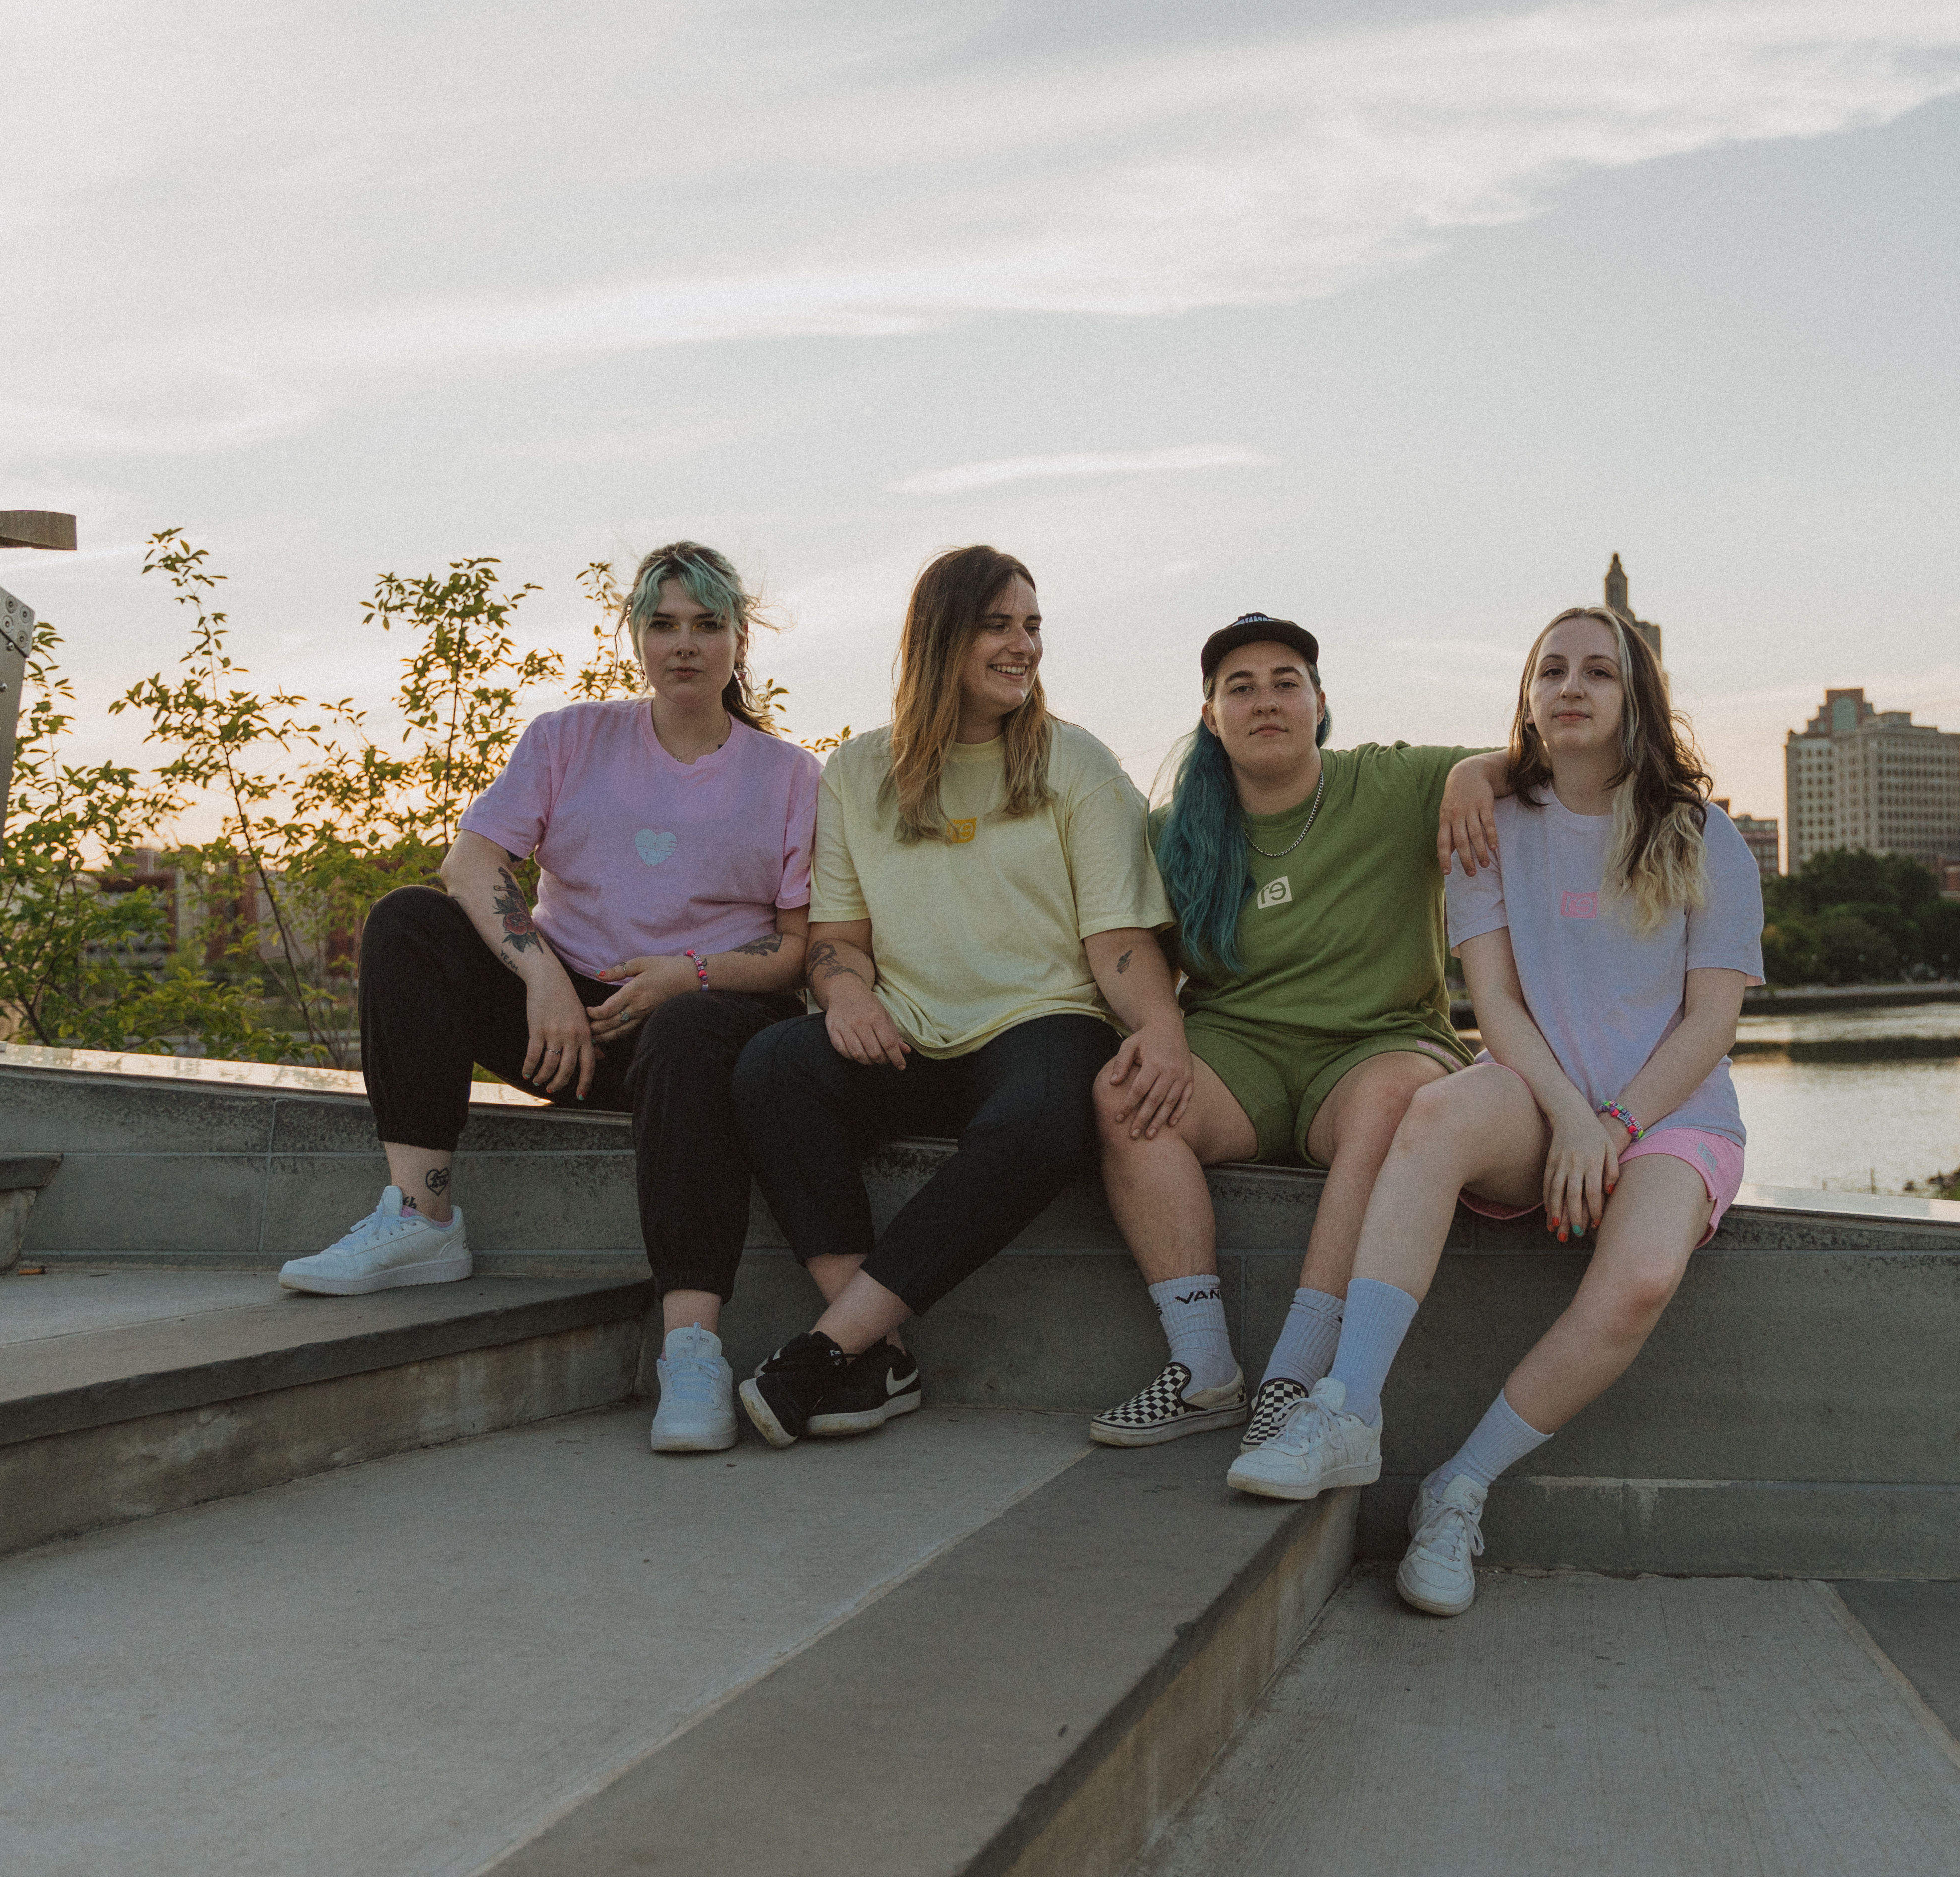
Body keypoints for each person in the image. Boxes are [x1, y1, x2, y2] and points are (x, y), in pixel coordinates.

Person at [1227, 604, 1763, 1621]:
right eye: (1550, 669)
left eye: (1598, 671)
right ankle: (1346, 1408)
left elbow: (1709, 1023)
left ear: (1634, 697)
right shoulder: (1491, 822)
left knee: (1645, 1273)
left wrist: (1611, 1126)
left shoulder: (1704, 834)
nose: (1571, 686)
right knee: (1432, 1114)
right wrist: (1565, 1114)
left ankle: (1458, 1488)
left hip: (1670, 1112)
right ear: (1526, 696)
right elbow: (1495, 1002)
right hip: (1538, 1093)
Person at [278, 541, 818, 1455]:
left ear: (739, 641)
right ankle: (422, 1218)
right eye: (663, 623)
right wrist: (542, 977)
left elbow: (800, 947)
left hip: (703, 1021)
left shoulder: (790, 777)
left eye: (707, 624)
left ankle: (692, 1350)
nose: (683, 644)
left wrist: (686, 973)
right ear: (635, 637)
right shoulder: (571, 738)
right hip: (565, 1024)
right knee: (408, 921)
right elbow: (472, 861)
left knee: (687, 1030)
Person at [730, 545, 1183, 1446]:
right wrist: (848, 996)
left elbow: (1119, 941)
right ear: (941, 638)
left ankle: (827, 1350)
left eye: (1033, 626)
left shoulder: (1076, 763)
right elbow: (834, 944)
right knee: (774, 1066)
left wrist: (1162, 1028)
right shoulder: (859, 772)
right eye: (999, 625)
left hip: (1041, 1022)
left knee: (1048, 1116)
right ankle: (879, 1354)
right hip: (908, 1029)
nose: (1024, 646)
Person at [1086, 611, 1498, 1450]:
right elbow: (1124, 944)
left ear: (1320, 703)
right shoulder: (1178, 833)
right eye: (1240, 688)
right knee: (1125, 1094)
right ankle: (1205, 1371)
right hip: (1239, 1052)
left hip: (1377, 1043)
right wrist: (1155, 1028)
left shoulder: (1390, 782)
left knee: (1395, 1104)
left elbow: (1542, 761)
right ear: (1211, 716)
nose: (1264, 701)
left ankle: (1294, 1377)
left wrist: (1478, 772)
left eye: (1286, 683)